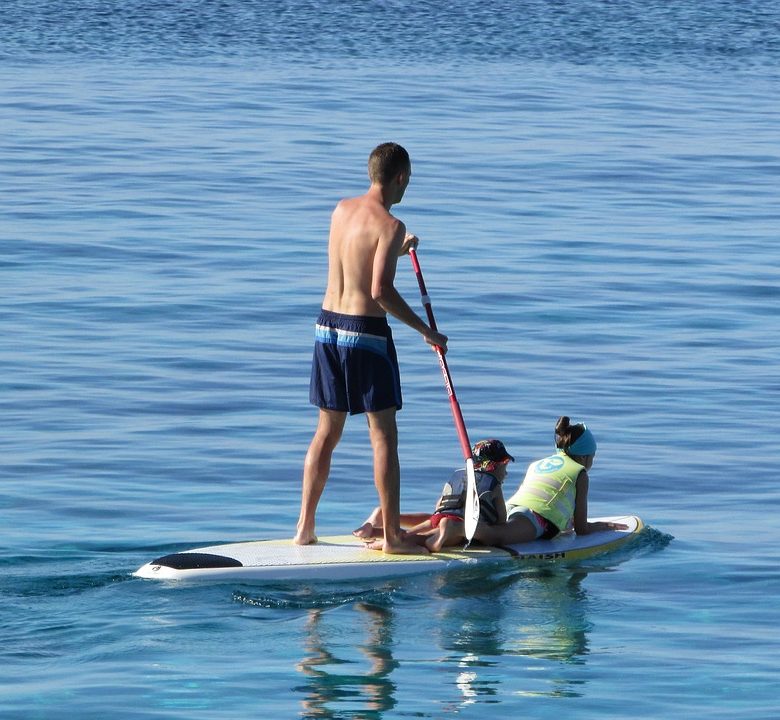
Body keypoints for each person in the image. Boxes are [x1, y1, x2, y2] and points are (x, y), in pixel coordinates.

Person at [294, 142, 449, 554]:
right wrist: (426, 332)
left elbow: (356, 258)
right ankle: (394, 538)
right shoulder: (391, 224)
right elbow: (380, 291)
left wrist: (398, 248)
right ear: (400, 177)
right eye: (408, 181)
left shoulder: (341, 210)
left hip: (327, 328)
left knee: (326, 433)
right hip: (366, 335)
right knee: (383, 437)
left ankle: (304, 527)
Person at [473, 417, 627, 547]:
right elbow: (582, 529)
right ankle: (460, 528)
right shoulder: (580, 473)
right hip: (536, 519)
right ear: (583, 457)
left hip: (510, 508)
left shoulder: (538, 464)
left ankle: (462, 531)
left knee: (494, 534)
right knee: (495, 537)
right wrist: (603, 526)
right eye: (592, 457)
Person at [353, 439, 514, 552]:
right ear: (500, 464)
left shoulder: (459, 475)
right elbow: (501, 519)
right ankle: (392, 543)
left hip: (438, 517)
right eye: (505, 467)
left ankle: (375, 532)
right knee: (426, 539)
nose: (505, 473)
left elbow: (439, 506)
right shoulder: (493, 484)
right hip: (457, 524)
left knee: (411, 533)